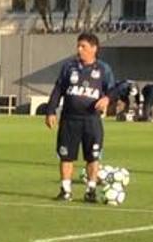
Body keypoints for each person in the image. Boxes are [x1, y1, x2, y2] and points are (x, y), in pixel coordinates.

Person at [47, 32, 117, 200]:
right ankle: (65, 190)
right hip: (69, 119)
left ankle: (90, 191)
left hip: (91, 120)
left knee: (92, 156)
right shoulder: (69, 67)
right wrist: (50, 111)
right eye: (78, 46)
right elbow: (58, 90)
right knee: (66, 155)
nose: (79, 50)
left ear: (94, 49)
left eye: (83, 47)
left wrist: (107, 98)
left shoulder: (103, 69)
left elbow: (113, 90)